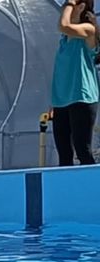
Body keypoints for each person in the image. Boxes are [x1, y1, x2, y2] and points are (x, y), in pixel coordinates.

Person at [52, 0, 99, 166]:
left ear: (79, 7)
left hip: (82, 97)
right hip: (61, 101)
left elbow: (64, 25)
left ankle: (93, 188)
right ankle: (65, 190)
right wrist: (54, 102)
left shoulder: (88, 30)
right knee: (64, 153)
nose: (65, 8)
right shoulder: (64, 40)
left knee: (82, 149)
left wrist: (70, 4)